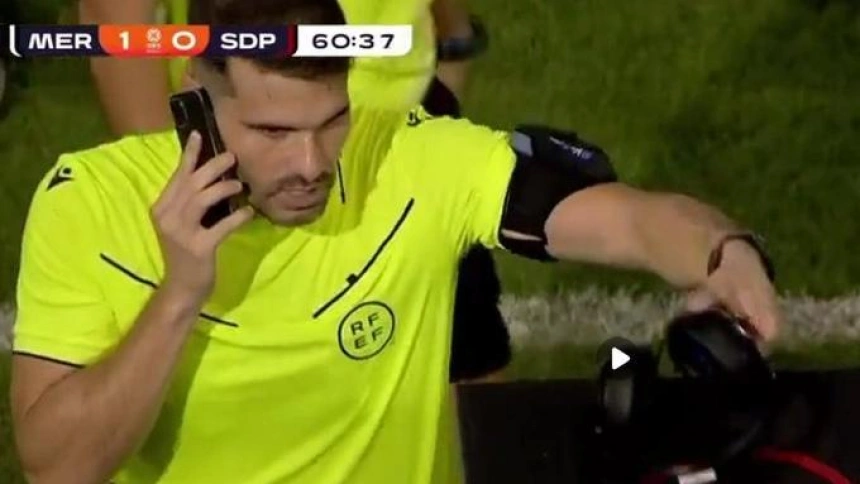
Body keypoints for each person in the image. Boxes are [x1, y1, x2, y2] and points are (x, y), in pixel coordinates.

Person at [11, 1, 781, 483]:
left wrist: (722, 250)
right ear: (196, 103)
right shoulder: (90, 204)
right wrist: (180, 293)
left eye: (331, 121)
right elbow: (57, 466)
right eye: (272, 132)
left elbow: (628, 219)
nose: (310, 164)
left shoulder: (407, 156)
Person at [78, 0, 511, 385]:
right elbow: (116, 21)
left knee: (463, 362)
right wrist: (182, 177)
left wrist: (451, 38)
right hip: (249, 166)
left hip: (401, 139)